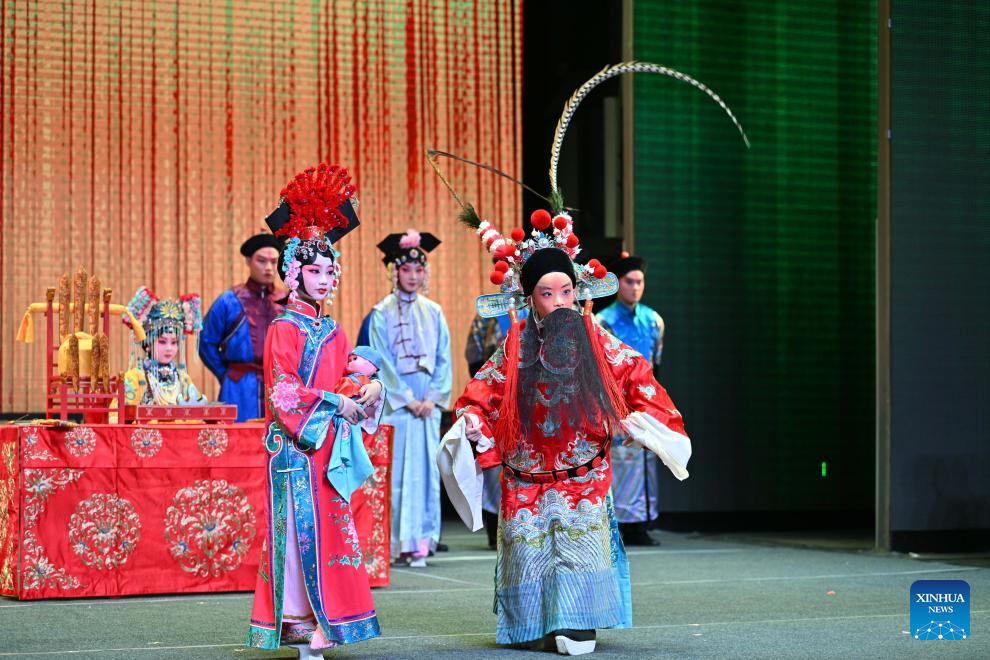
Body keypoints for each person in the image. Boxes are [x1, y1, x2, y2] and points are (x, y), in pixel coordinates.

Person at [440, 210, 692, 655]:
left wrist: (645, 421)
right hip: (527, 472)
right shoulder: (514, 345)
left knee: (578, 544)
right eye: (547, 293)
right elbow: (483, 389)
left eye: (566, 291)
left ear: (577, 292)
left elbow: (637, 374)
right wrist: (473, 418)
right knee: (530, 546)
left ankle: (578, 622)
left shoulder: (595, 338)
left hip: (582, 471)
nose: (559, 301)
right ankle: (533, 623)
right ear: (529, 298)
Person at [247, 163, 383, 658]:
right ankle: (303, 628)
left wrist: (366, 389)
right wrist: (337, 401)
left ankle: (331, 623)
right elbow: (283, 393)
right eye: (313, 270)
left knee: (333, 532)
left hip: (328, 446)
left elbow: (343, 376)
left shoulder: (335, 329)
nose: (324, 279)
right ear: (293, 273)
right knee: (299, 536)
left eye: (330, 270)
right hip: (296, 450)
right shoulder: (284, 328)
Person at [367, 229, 452, 567]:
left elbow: (443, 357)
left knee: (426, 473)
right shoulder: (380, 312)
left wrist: (431, 398)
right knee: (397, 471)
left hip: (427, 403)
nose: (413, 276)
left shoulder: (434, 312)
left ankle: (422, 540)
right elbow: (380, 361)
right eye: (406, 270)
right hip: (397, 404)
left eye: (419, 270)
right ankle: (394, 541)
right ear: (394, 271)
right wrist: (405, 398)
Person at [596, 253, 666, 545]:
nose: (635, 287)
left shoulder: (654, 321)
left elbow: (657, 362)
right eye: (629, 281)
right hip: (614, 399)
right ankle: (621, 524)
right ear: (617, 284)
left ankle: (642, 524)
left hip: (645, 397)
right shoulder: (603, 320)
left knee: (647, 458)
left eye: (640, 281)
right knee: (622, 459)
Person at [200, 233, 286, 421]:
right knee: (238, 441)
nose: (269, 268)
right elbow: (206, 343)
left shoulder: (286, 302)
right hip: (239, 386)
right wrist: (227, 375)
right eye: (262, 261)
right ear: (248, 261)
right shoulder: (229, 301)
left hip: (279, 385)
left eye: (274, 262)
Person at [465, 301, 528, 549]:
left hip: (533, 399)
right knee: (494, 467)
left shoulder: (545, 311)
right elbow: (474, 358)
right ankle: (495, 529)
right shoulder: (489, 315)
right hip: (499, 398)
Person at [119, 287, 208, 407]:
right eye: (162, 342)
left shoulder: (182, 378)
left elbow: (198, 412)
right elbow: (118, 417)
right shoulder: (135, 377)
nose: (169, 348)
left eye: (174, 342)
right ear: (148, 344)